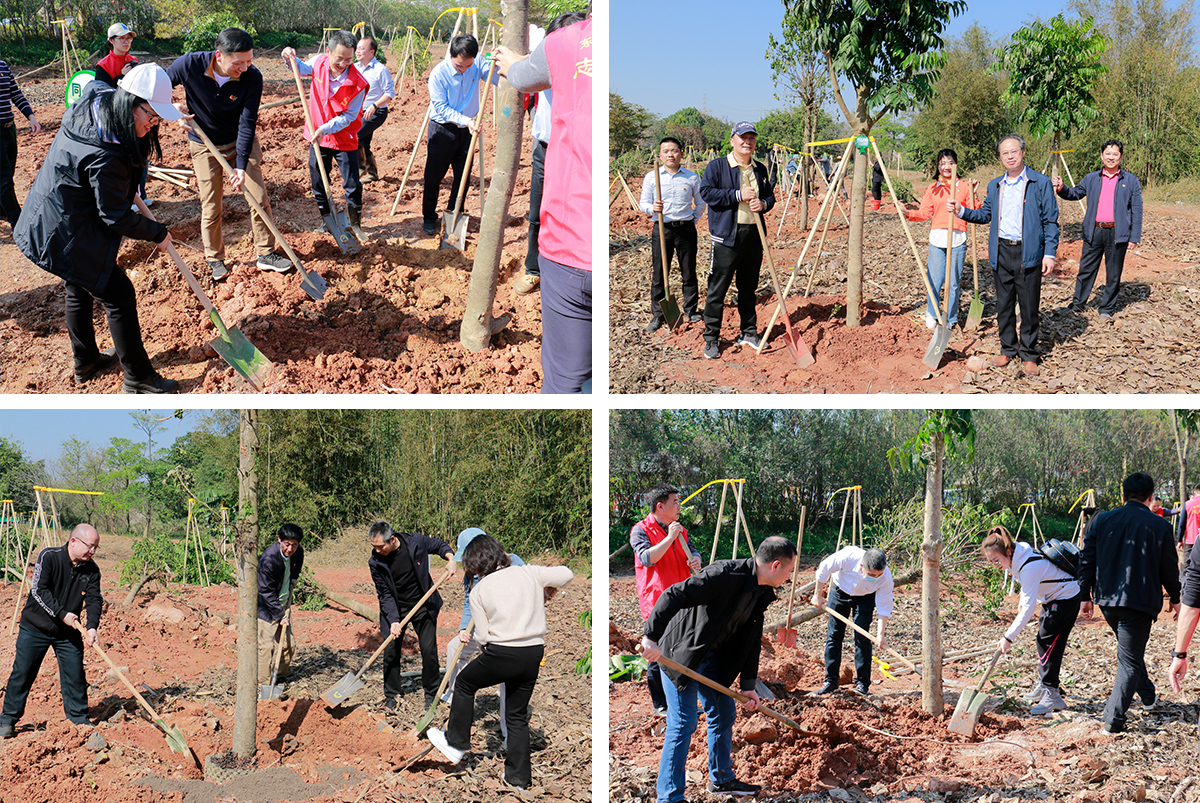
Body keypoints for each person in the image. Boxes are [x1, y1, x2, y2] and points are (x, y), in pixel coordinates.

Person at [15, 64, 180, 393]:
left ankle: (86, 361)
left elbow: (93, 85)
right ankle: (138, 377)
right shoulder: (107, 155)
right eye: (151, 115)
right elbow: (115, 216)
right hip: (65, 228)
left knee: (78, 285)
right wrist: (157, 232)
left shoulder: (100, 99)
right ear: (130, 104)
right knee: (119, 295)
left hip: (57, 213)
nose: (154, 123)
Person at [641, 536, 797, 802]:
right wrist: (650, 637)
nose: (789, 577)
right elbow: (673, 595)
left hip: (711, 657)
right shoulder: (724, 574)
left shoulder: (761, 592)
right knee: (683, 722)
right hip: (680, 654)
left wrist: (748, 686)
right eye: (790, 570)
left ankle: (721, 780)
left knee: (724, 712)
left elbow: (751, 640)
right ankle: (669, 797)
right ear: (775, 566)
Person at [427, 534, 573, 790]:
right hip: (533, 652)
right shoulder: (529, 572)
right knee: (516, 716)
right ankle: (518, 780)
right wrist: (543, 585)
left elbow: (483, 636)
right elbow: (567, 574)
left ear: (474, 565)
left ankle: (455, 743)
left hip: (503, 653)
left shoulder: (479, 589)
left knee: (464, 683)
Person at [496, 14, 592, 394]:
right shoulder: (572, 48)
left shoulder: (563, 46)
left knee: (566, 378)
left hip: (570, 246)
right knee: (534, 216)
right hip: (547, 153)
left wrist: (511, 62)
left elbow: (519, 74)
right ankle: (532, 267)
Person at [167, 27, 291, 280]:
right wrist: (170, 109)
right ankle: (215, 258)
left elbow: (247, 123)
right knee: (211, 203)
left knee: (258, 196)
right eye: (238, 63)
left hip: (239, 140)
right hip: (204, 144)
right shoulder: (189, 64)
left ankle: (266, 253)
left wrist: (241, 165)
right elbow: (154, 86)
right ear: (219, 56)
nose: (244, 68)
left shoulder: (252, 78)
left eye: (249, 61)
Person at [1079, 472, 1180, 734]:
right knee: (1130, 660)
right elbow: (1169, 568)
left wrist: (1085, 595)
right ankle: (1113, 720)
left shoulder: (1102, 520)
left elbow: (1087, 557)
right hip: (1139, 602)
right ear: (1151, 497)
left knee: (1129, 654)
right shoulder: (1160, 526)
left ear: (1123, 496)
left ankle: (1148, 696)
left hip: (1108, 600)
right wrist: (1176, 598)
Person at [953, 135, 1058, 376]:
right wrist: (961, 211)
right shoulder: (995, 185)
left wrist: (1049, 253)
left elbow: (1050, 221)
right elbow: (985, 214)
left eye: (1014, 151)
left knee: (1029, 306)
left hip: (1028, 252)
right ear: (1000, 157)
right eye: (1004, 153)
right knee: (1004, 305)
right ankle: (1008, 348)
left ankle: (1029, 354)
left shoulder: (1039, 183)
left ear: (1023, 153)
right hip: (1001, 251)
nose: (1010, 156)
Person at [0, 524, 102, 737]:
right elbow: (39, 590)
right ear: (73, 541)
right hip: (35, 627)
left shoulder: (91, 570)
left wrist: (92, 627)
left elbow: (94, 599)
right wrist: (62, 614)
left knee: (74, 674)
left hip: (67, 632)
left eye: (96, 547)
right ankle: (7, 719)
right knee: (23, 672)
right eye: (89, 546)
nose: (92, 551)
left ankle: (79, 719)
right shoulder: (49, 556)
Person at [513, 11, 587, 297]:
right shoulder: (547, 57)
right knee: (537, 213)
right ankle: (534, 269)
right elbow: (529, 35)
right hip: (545, 147)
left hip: (577, 151)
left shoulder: (585, 68)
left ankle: (565, 273)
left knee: (573, 213)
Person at [980, 525, 1081, 716]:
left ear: (1008, 552)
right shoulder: (1018, 557)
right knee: (1045, 641)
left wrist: (1008, 637)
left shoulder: (1028, 566)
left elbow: (1028, 608)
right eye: (991, 562)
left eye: (996, 560)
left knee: (1048, 643)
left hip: (1065, 597)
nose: (995, 565)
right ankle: (1044, 685)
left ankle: (1052, 693)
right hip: (1053, 597)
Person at [699, 122, 776, 361]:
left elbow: (770, 196)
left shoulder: (760, 169)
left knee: (748, 288)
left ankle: (749, 332)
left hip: (753, 236)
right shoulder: (717, 166)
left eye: (751, 138)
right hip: (726, 237)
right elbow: (707, 193)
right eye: (743, 137)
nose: (747, 142)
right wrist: (737, 195)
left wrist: (763, 204)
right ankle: (712, 337)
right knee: (717, 290)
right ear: (732, 140)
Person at [441, 527, 526, 741]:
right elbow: (468, 601)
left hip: (508, 632)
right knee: (454, 646)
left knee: (508, 677)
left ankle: (509, 733)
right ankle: (457, 697)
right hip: (481, 627)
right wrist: (463, 629)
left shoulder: (512, 562)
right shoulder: (471, 572)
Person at [283, 33, 369, 236]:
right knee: (318, 181)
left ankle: (355, 225)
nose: (344, 64)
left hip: (343, 138)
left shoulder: (358, 83)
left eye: (349, 59)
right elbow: (300, 68)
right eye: (339, 58)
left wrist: (325, 128)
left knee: (352, 183)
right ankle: (327, 221)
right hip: (318, 137)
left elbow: (349, 117)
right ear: (328, 52)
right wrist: (289, 57)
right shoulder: (319, 62)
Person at [630, 484, 702, 716]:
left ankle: (682, 702)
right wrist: (670, 538)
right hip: (657, 600)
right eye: (675, 502)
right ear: (660, 506)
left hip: (683, 598)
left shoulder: (680, 530)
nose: (679, 506)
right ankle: (661, 704)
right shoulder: (640, 530)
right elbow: (647, 558)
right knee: (656, 652)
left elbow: (692, 550)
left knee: (683, 650)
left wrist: (696, 559)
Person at [367, 521, 456, 708]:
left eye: (380, 546)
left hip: (423, 603)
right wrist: (393, 620)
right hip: (395, 608)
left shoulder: (415, 542)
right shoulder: (375, 562)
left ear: (392, 539)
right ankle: (392, 695)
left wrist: (451, 559)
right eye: (374, 546)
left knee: (429, 650)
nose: (376, 550)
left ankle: (431, 693)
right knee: (391, 650)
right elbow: (384, 594)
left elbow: (439, 545)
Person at [1053, 140, 1142, 320]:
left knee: (1113, 273)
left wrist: (1134, 236)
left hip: (1117, 233)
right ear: (1102, 156)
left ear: (1121, 157)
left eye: (1115, 154)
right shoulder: (1091, 178)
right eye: (1108, 154)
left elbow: (1137, 209)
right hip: (1094, 231)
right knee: (1086, 270)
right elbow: (1076, 193)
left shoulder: (1130, 180)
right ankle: (1077, 305)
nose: (1111, 157)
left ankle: (1107, 309)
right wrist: (1062, 188)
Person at [422, 33, 500, 236]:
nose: (464, 69)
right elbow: (441, 108)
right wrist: (467, 121)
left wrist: (501, 64)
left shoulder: (477, 62)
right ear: (450, 53)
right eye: (459, 66)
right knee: (433, 177)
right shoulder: (438, 74)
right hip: (443, 130)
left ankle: (454, 213)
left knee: (463, 176)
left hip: (467, 131)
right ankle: (429, 217)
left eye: (468, 66)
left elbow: (494, 77)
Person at [903, 149, 978, 329]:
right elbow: (924, 213)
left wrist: (973, 193)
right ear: (937, 166)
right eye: (942, 163)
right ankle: (932, 312)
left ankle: (950, 318)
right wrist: (907, 213)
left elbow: (975, 212)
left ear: (956, 164)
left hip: (958, 239)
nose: (946, 166)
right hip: (937, 240)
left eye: (950, 162)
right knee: (935, 280)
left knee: (953, 283)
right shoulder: (933, 188)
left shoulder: (963, 186)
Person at [640, 137, 705, 332]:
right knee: (660, 273)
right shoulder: (652, 177)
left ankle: (691, 310)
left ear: (681, 154)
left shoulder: (691, 177)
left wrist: (692, 220)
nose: (670, 154)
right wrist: (652, 207)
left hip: (686, 228)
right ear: (660, 155)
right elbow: (643, 203)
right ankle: (658, 314)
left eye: (674, 150)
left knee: (689, 271)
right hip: (662, 228)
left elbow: (700, 202)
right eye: (666, 151)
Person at [810, 545, 894, 696]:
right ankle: (831, 682)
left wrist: (880, 634)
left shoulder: (886, 576)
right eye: (871, 574)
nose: (875, 578)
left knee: (862, 637)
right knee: (834, 636)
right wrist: (817, 594)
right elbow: (824, 569)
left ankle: (862, 685)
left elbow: (884, 605)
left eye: (878, 575)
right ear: (862, 566)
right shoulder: (848, 556)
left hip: (865, 598)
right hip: (840, 592)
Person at [257, 523, 304, 685]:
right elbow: (265, 591)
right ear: (279, 540)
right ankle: (264, 683)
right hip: (267, 608)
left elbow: (299, 556)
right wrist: (280, 615)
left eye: (294, 545)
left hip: (283, 605)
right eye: (287, 544)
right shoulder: (268, 560)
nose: (290, 549)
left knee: (289, 646)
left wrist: (294, 576)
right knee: (266, 648)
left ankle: (279, 676)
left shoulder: (297, 551)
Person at [0, 56, 40, 233]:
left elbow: (15, 94)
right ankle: (18, 222)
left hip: (9, 128)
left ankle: (2, 210)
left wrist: (31, 117)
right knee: (4, 179)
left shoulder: (3, 65)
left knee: (9, 172)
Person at [353, 36, 394, 184]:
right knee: (364, 142)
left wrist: (374, 105)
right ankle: (372, 173)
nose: (358, 51)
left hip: (376, 112)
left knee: (356, 136)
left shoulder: (380, 70)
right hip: (359, 112)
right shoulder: (354, 68)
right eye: (357, 48)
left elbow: (389, 93)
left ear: (372, 52)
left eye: (362, 49)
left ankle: (361, 167)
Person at [1177, 485, 1200, 568]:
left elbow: (1181, 524)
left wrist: (1179, 540)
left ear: (1195, 492)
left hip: (1191, 540)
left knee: (1188, 566)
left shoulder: (1188, 504)